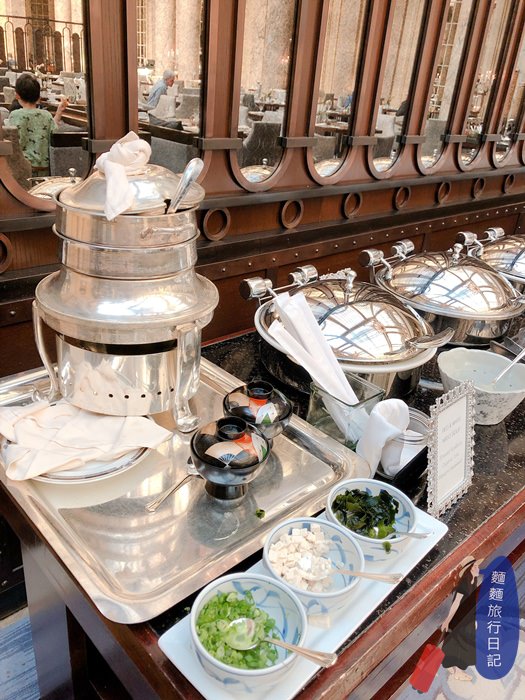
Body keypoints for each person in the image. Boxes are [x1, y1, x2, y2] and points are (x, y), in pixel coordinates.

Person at [7, 73, 68, 171]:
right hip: (45, 169)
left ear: (17, 95)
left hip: (23, 169)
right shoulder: (46, 115)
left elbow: (10, 141)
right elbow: (53, 133)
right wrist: (59, 112)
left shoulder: (15, 115)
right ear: (38, 96)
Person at [440, 555, 482, 682]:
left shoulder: (473, 581)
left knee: (460, 643)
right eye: (475, 566)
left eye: (477, 566)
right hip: (460, 619)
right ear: (469, 569)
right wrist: (447, 620)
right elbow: (456, 602)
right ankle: (458, 671)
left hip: (467, 618)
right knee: (462, 645)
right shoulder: (464, 584)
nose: (477, 569)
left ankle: (451, 665)